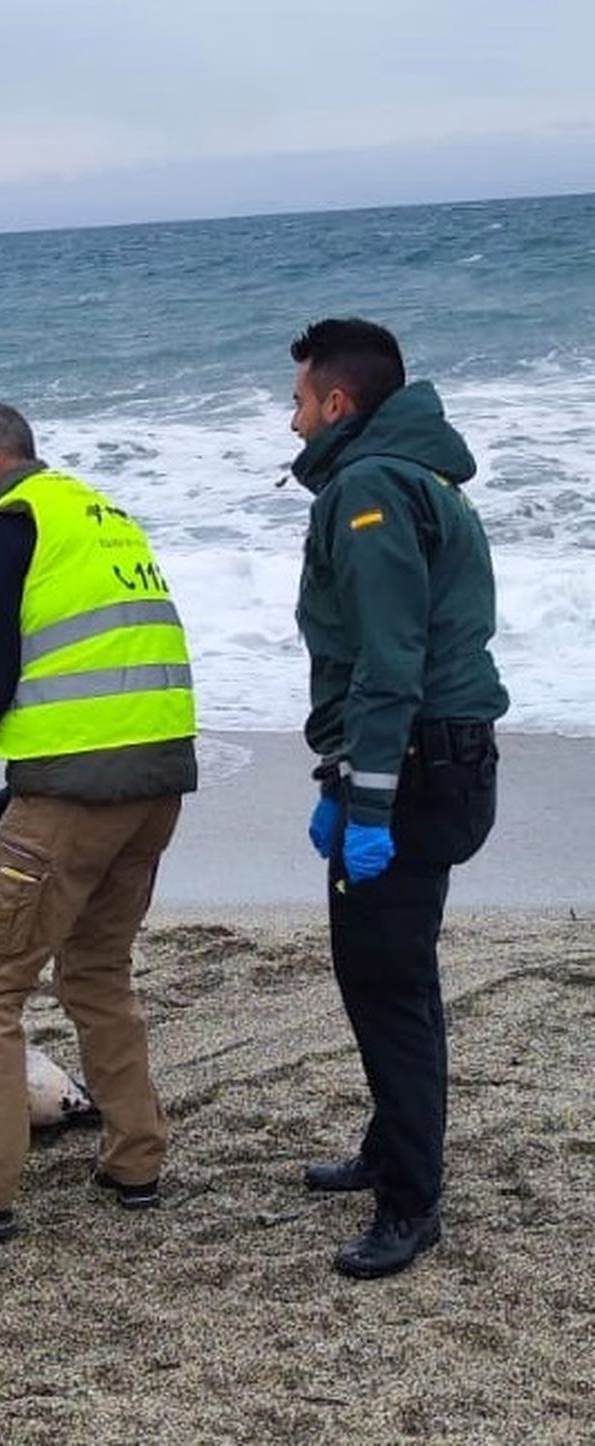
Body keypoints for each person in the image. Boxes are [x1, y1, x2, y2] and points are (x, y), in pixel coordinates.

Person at [0, 400, 197, 1241]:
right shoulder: (99, 516)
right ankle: (136, 1160)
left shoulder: (3, 525)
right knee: (96, 973)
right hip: (154, 787)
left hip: (77, 798)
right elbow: (98, 673)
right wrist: (17, 789)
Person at [288, 318, 507, 1279]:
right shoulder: (418, 475)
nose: (293, 421)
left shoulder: (371, 486)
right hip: (434, 759)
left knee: (384, 981)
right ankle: (391, 1148)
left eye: (301, 401)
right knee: (397, 973)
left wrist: (366, 802)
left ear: (339, 402)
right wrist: (341, 779)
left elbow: (388, 660)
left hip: (415, 767)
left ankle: (410, 1203)